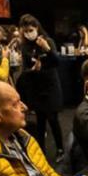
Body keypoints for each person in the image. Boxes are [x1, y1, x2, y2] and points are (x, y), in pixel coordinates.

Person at [16, 15, 63, 156]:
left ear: (37, 28)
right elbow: (24, 70)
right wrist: (32, 70)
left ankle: (60, 149)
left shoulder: (47, 41)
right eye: (25, 31)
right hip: (36, 88)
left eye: (31, 30)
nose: (29, 33)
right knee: (40, 121)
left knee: (53, 119)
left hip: (50, 86)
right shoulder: (24, 46)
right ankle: (41, 150)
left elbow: (57, 62)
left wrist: (47, 49)